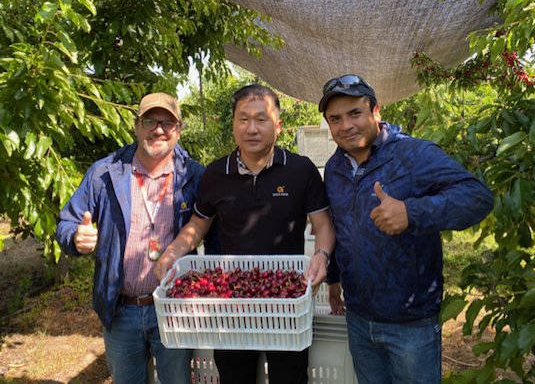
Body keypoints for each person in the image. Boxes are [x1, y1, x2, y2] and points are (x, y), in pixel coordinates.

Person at [154, 84, 336, 384]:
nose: (252, 128)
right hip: (232, 303)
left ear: (278, 125)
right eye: (243, 118)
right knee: (234, 376)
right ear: (233, 124)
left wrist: (322, 255)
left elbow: (323, 225)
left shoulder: (300, 171)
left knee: (289, 378)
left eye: (261, 119)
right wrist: (172, 253)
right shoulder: (215, 174)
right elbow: (199, 225)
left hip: (286, 301)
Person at [319, 75, 495, 384]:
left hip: (411, 322)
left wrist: (411, 211)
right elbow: (340, 227)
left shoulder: (413, 155)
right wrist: (333, 277)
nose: (345, 125)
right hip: (359, 318)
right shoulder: (334, 168)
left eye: (355, 113)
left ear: (376, 111)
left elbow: (477, 197)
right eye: (335, 118)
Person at [56, 92, 218, 384]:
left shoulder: (193, 176)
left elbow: (212, 230)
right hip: (121, 311)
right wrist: (75, 238)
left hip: (173, 308)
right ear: (136, 126)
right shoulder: (105, 173)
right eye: (150, 121)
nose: (159, 129)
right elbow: (68, 221)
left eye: (168, 123)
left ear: (179, 130)